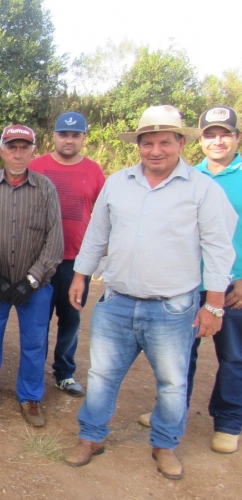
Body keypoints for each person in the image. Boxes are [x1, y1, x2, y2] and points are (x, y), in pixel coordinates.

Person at [63, 105, 236, 480]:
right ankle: (91, 436)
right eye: (148, 143)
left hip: (173, 308)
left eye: (164, 142)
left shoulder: (202, 189)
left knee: (173, 383)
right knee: (103, 375)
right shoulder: (118, 182)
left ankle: (165, 444)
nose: (155, 150)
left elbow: (219, 249)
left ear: (180, 143)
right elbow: (97, 234)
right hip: (118, 302)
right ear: (138, 145)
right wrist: (80, 275)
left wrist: (215, 306)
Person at [137, 106, 242, 454]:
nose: (217, 140)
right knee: (180, 355)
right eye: (210, 134)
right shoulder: (187, 175)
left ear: (237, 138)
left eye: (224, 133)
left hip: (232, 285)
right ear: (198, 140)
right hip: (184, 284)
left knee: (234, 356)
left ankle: (228, 421)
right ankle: (171, 411)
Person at [0, 124, 63, 428]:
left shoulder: (45, 188)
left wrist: (31, 280)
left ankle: (30, 397)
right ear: (2, 151)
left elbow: (54, 242)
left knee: (34, 343)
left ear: (34, 151)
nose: (18, 153)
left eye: (24, 147)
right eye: (12, 147)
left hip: (36, 286)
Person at [29, 112, 106, 397]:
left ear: (84, 137)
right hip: (39, 260)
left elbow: (103, 217)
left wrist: (97, 257)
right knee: (37, 319)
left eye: (76, 135)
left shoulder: (95, 171)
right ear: (54, 136)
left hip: (77, 261)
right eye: (64, 134)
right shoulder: (36, 166)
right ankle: (33, 373)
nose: (69, 140)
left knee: (71, 319)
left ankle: (64, 372)